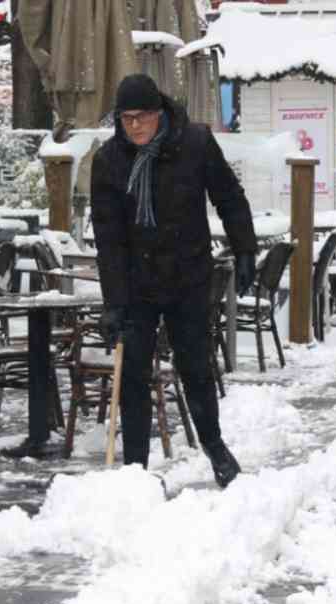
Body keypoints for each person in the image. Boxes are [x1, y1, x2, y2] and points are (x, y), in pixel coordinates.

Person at [90, 74, 257, 487]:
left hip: (188, 276)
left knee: (196, 367)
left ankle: (215, 448)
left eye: (141, 117)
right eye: (126, 119)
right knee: (133, 376)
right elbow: (107, 238)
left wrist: (246, 249)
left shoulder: (195, 143)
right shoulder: (109, 160)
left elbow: (229, 196)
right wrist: (113, 302)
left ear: (159, 112)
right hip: (136, 284)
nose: (134, 127)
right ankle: (135, 471)